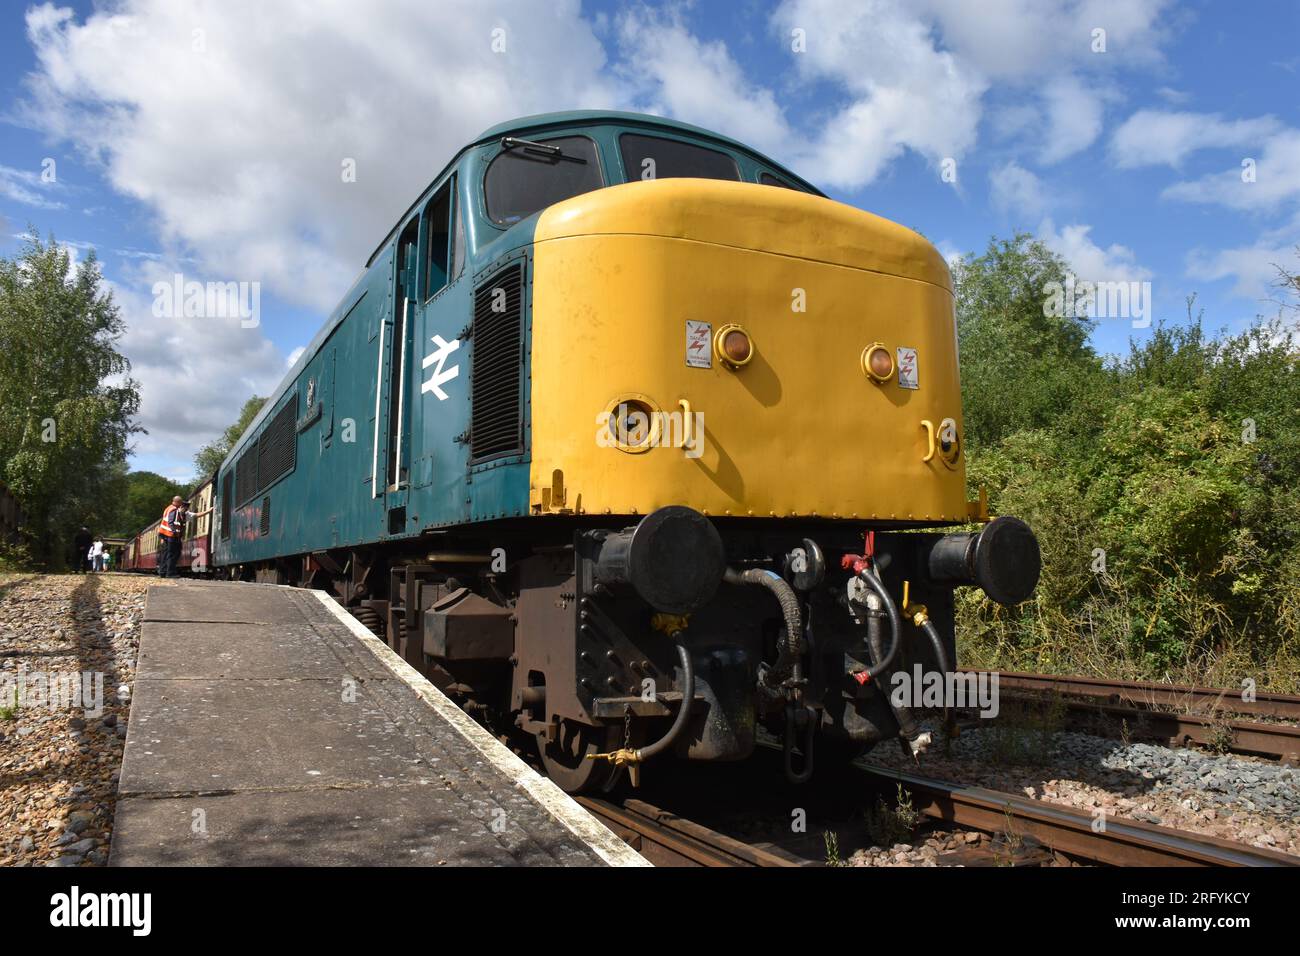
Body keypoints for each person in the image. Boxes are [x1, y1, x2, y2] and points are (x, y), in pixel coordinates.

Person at [158, 496, 184, 578]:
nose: (181, 505)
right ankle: (170, 573)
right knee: (172, 554)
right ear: (177, 502)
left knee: (165, 553)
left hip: (164, 533)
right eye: (180, 503)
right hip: (170, 535)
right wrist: (174, 532)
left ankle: (162, 571)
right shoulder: (174, 509)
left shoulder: (168, 508)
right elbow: (171, 522)